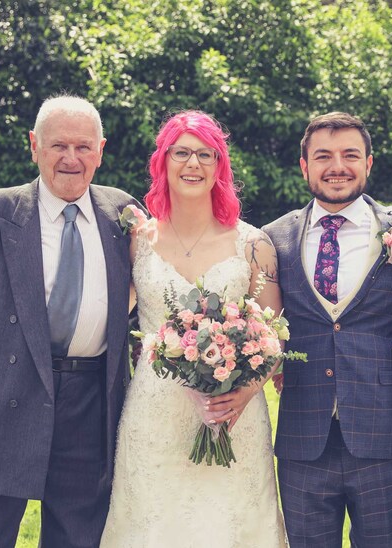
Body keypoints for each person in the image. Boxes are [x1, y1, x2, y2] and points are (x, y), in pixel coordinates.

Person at [0, 95, 141, 547]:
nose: (71, 158)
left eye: (83, 147)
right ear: (34, 145)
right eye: (58, 145)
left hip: (90, 410)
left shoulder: (123, 215)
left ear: (101, 150)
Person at [100, 110, 287, 547]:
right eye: (181, 152)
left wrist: (243, 392)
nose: (193, 164)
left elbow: (275, 336)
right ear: (162, 162)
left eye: (206, 154)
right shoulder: (137, 241)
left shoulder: (253, 244)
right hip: (155, 412)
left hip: (233, 412)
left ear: (220, 167)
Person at [263, 112, 392, 547]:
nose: (336, 166)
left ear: (368, 164)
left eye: (349, 155)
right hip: (305, 438)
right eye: (323, 156)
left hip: (385, 436)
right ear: (304, 166)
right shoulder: (274, 238)